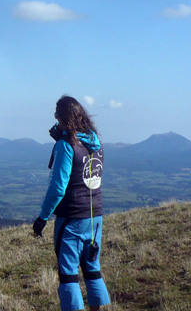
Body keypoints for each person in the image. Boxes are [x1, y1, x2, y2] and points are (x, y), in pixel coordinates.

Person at [32, 96, 111, 311]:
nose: (55, 120)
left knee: (68, 276)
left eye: (57, 117)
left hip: (71, 219)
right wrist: (63, 136)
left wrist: (43, 217)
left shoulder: (65, 146)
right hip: (95, 216)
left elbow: (59, 187)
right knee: (92, 269)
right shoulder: (95, 142)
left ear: (63, 118)